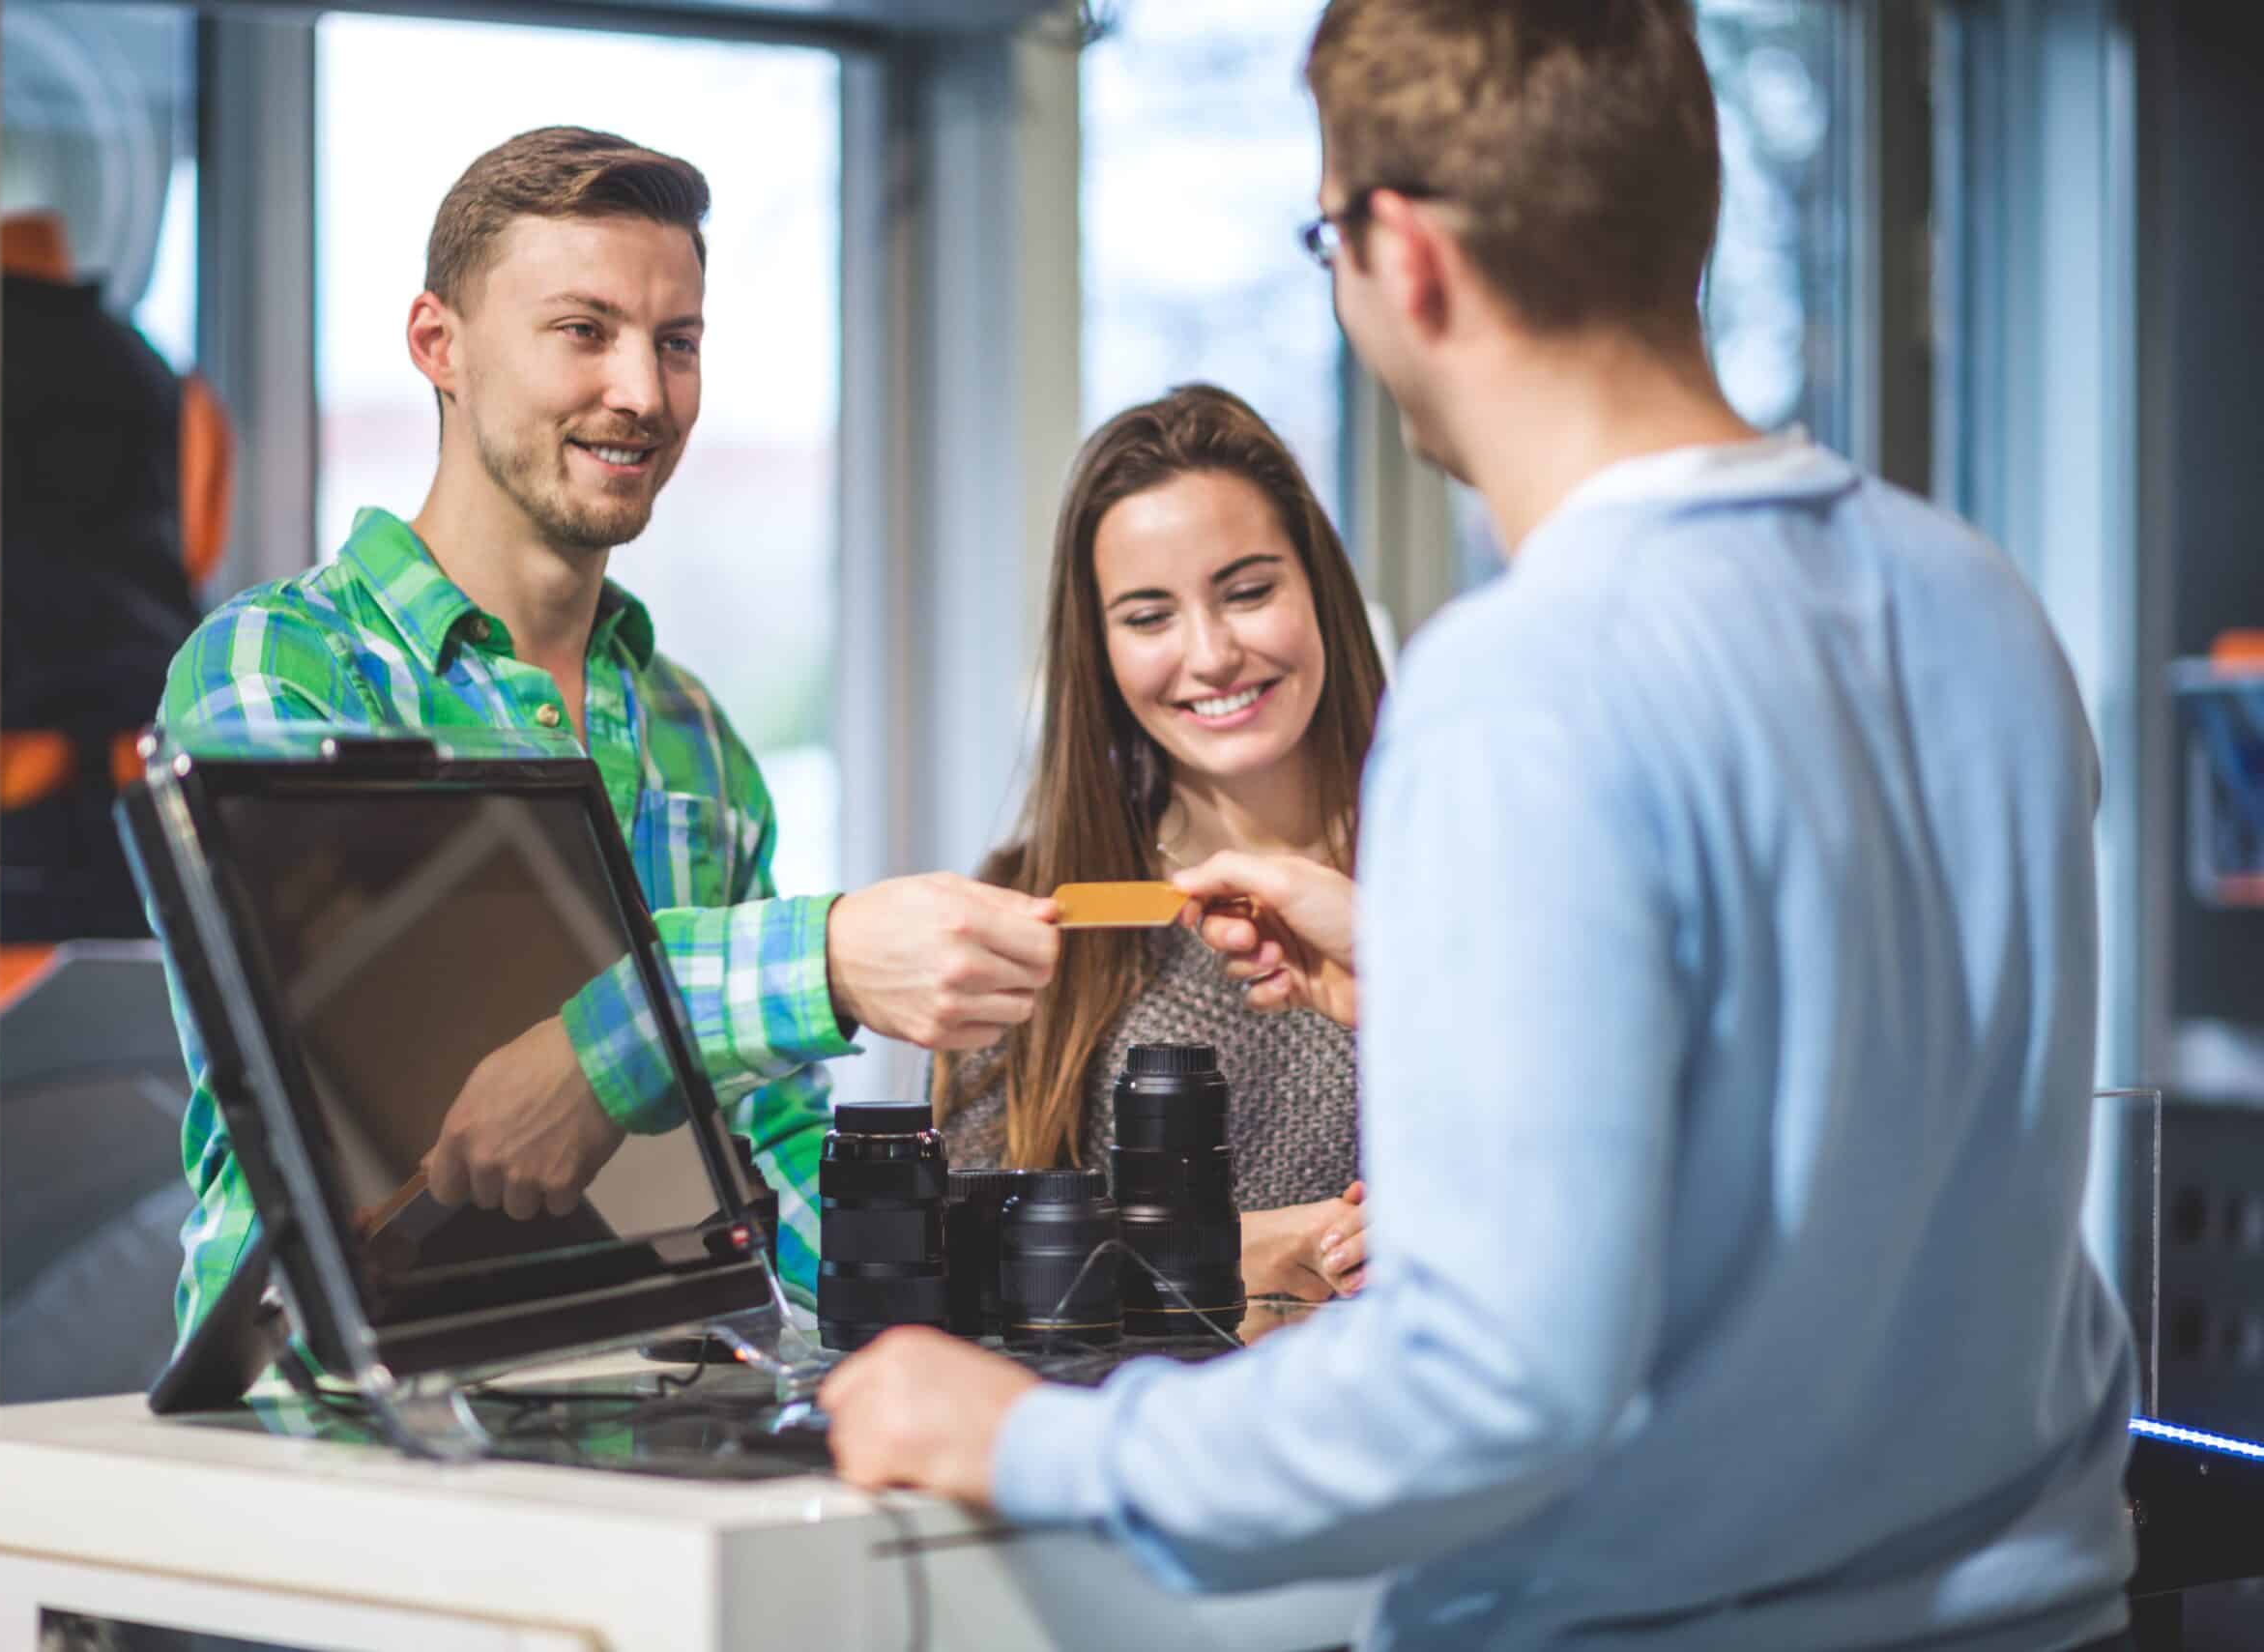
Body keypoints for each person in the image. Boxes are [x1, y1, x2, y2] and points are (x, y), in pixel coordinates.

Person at [818, 5, 2138, 1649]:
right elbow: (1849, 1113)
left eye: (1328, 239)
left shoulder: (1523, 687)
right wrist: (1444, 980)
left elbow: (1484, 1386)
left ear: (1406, 258)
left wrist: (1027, 1433)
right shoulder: (1978, 600)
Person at [155, 127, 1061, 1339]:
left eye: (675, 342)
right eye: (583, 331)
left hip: (644, 1406)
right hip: (332, 1421)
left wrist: (991, 1284)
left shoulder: (695, 733)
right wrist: (823, 961)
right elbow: (419, 1092)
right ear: (441, 346)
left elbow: (756, 1141)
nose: (642, 391)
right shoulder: (281, 670)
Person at [933, 384, 1384, 1300]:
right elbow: (957, 1267)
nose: (1211, 653)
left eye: (1249, 591)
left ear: (1319, 588)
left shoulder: (1472, 869)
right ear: (1097, 651)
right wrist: (1218, 1254)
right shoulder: (1030, 906)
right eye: (1148, 616)